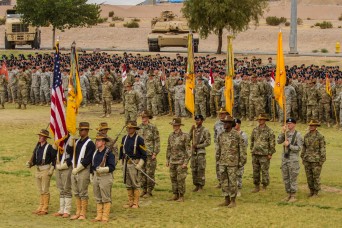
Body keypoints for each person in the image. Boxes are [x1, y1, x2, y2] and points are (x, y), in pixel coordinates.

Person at [66, 122, 95, 220]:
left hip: (83, 170)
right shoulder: (77, 141)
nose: (80, 131)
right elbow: (69, 152)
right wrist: (71, 139)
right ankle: (78, 211)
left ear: (86, 131)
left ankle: (83, 212)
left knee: (83, 192)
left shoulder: (90, 143)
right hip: (74, 169)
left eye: (82, 130)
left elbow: (88, 159)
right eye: (79, 130)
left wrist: (78, 169)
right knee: (76, 191)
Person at [217, 116, 246, 208]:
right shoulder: (221, 135)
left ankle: (233, 201)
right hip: (222, 162)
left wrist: (241, 162)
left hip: (233, 163)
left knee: (232, 182)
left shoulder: (237, 135)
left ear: (231, 124)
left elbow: (242, 149)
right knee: (224, 181)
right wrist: (218, 160)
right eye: (224, 122)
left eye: (226, 122)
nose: (224, 124)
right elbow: (219, 149)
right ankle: (226, 199)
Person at [26, 129, 57, 215]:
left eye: (42, 136)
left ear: (46, 138)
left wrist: (52, 168)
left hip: (45, 170)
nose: (39, 137)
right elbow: (36, 160)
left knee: (45, 190)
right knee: (40, 190)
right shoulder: (38, 147)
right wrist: (30, 164)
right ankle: (41, 205)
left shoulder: (49, 147)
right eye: (39, 135)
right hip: (38, 169)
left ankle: (45, 208)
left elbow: (54, 158)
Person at [119, 121, 147, 209]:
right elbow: (121, 151)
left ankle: (136, 202)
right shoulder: (124, 138)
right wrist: (121, 161)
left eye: (131, 128)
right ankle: (130, 201)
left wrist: (140, 164)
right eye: (128, 128)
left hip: (135, 164)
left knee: (135, 183)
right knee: (128, 183)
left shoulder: (139, 139)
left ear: (135, 129)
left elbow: (144, 154)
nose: (129, 129)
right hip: (126, 164)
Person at [91, 132, 115, 223]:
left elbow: (112, 167)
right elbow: (92, 165)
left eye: (99, 140)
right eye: (96, 140)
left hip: (105, 176)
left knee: (105, 197)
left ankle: (105, 216)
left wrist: (103, 169)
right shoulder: (95, 153)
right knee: (98, 196)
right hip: (96, 176)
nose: (97, 142)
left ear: (104, 142)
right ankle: (99, 215)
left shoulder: (109, 153)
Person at [277, 118, 303, 202]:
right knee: (286, 177)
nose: (289, 125)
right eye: (288, 123)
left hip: (293, 160)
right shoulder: (285, 133)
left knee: (293, 178)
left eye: (291, 123)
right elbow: (278, 141)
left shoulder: (298, 135)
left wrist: (289, 146)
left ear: (294, 124)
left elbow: (299, 148)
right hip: (285, 159)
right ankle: (288, 194)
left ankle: (293, 195)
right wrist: (282, 132)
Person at [166, 117, 191, 202]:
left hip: (181, 161)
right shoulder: (171, 135)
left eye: (176, 125)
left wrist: (186, 162)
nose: (175, 127)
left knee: (180, 179)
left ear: (179, 126)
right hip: (172, 160)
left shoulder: (185, 136)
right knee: (173, 178)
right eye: (173, 125)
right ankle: (175, 194)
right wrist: (167, 159)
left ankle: (181, 195)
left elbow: (188, 150)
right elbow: (169, 148)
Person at [250, 113, 276, 193]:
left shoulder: (269, 131)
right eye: (259, 119)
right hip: (255, 153)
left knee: (264, 171)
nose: (260, 121)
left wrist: (270, 153)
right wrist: (252, 149)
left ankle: (264, 186)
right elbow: (252, 140)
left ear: (265, 120)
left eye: (262, 119)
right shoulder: (255, 130)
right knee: (255, 170)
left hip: (264, 154)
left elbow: (272, 143)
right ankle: (256, 186)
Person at [138, 111, 160, 198]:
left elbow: (157, 140)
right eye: (142, 117)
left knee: (149, 172)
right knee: (142, 172)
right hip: (141, 154)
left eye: (144, 117)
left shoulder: (152, 127)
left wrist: (155, 152)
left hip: (150, 153)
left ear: (148, 118)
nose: (143, 119)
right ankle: (143, 189)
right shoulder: (138, 128)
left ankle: (149, 190)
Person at [301, 119, 326, 197]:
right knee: (309, 176)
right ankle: (311, 190)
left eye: (313, 125)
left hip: (316, 160)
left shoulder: (320, 136)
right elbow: (304, 147)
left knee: (316, 176)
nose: (311, 127)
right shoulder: (306, 136)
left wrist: (322, 159)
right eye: (310, 125)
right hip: (307, 159)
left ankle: (316, 192)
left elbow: (322, 148)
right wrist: (302, 157)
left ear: (316, 126)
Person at [189, 114, 211, 192]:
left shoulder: (205, 130)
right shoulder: (194, 129)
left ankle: (201, 185)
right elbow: (188, 139)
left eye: (198, 120)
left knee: (200, 169)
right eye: (196, 120)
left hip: (200, 152)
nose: (197, 121)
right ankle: (196, 185)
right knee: (193, 169)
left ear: (202, 121)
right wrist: (191, 130)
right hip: (193, 153)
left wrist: (198, 146)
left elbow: (208, 142)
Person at [53, 135, 73, 218]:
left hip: (66, 166)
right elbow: (53, 152)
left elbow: (71, 154)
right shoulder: (59, 139)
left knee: (66, 188)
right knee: (61, 188)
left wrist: (65, 164)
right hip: (58, 165)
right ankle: (61, 209)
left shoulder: (72, 140)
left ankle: (67, 210)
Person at [213, 108, 229, 188]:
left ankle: (228, 181)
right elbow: (215, 136)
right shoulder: (216, 124)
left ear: (226, 114)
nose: (221, 115)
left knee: (227, 164)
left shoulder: (229, 123)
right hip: (219, 147)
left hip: (227, 147)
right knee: (218, 164)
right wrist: (216, 145)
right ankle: (220, 181)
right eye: (220, 114)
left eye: (223, 114)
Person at [234, 118, 248, 197]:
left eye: (236, 124)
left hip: (240, 157)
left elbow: (244, 147)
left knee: (239, 174)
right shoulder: (231, 133)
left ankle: (238, 189)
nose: (235, 126)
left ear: (239, 124)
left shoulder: (243, 135)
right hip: (232, 157)